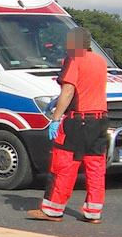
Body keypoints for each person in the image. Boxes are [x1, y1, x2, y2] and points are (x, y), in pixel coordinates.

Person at [29, 27, 108, 224]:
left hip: (77, 121)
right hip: (100, 120)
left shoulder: (74, 58)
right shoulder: (100, 61)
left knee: (64, 165)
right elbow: (87, 87)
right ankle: (93, 213)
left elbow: (69, 91)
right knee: (96, 166)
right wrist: (60, 99)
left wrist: (56, 118)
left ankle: (53, 210)